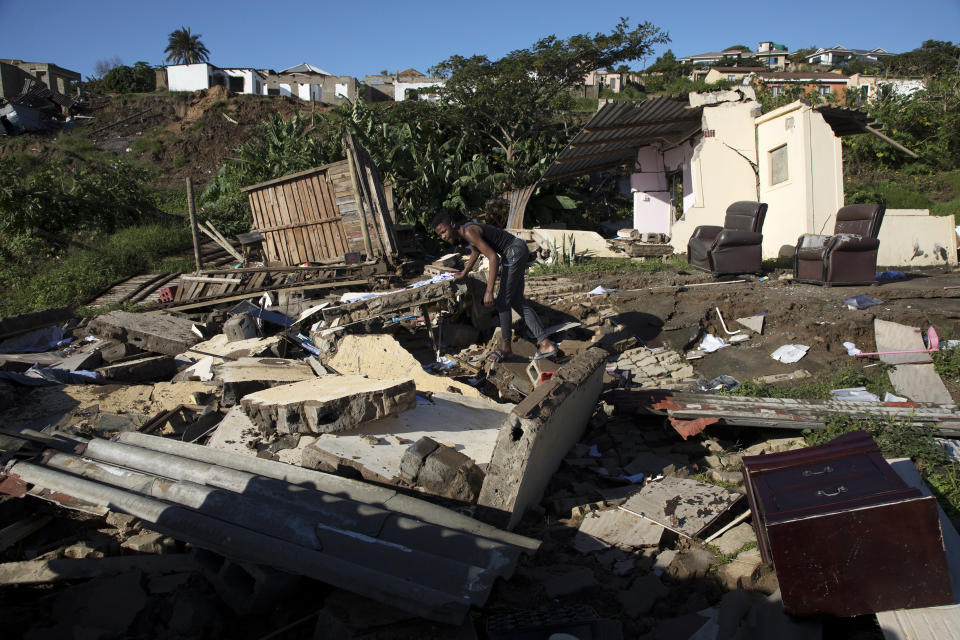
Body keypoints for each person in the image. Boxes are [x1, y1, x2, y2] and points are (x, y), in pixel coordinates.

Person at [432, 211, 558, 363]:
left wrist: (489, 291)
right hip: (516, 250)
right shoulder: (467, 231)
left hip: (512, 252)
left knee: (503, 303)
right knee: (517, 302)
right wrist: (465, 272)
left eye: (444, 231)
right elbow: (477, 250)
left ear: (452, 224)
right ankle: (545, 343)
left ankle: (506, 348)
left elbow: (493, 257)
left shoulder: (468, 231)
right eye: (440, 235)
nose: (443, 236)